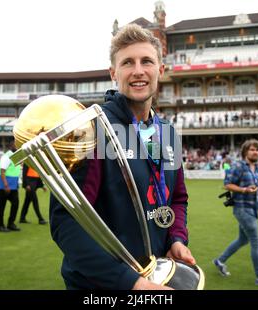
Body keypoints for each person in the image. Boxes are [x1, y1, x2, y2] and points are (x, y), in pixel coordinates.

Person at [50, 24, 196, 290]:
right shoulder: (91, 130)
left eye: (147, 61)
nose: (138, 71)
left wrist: (176, 238)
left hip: (156, 276)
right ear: (113, 73)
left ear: (160, 71)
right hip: (101, 288)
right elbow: (66, 224)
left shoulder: (166, 132)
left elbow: (177, 199)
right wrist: (130, 283)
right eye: (128, 62)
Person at [213, 139, 258, 289]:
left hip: (254, 209)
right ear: (245, 152)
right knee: (256, 241)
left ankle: (219, 261)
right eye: (252, 149)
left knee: (243, 240)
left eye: (257, 149)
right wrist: (244, 189)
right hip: (242, 209)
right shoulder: (238, 166)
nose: (255, 152)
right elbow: (227, 184)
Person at [0, 141, 21, 232]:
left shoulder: (15, 156)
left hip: (13, 186)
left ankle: (10, 223)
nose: (18, 147)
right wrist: (6, 185)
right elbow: (2, 171)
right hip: (4, 186)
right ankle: (0, 225)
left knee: (15, 204)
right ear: (11, 146)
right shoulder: (7, 156)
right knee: (2, 205)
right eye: (16, 145)